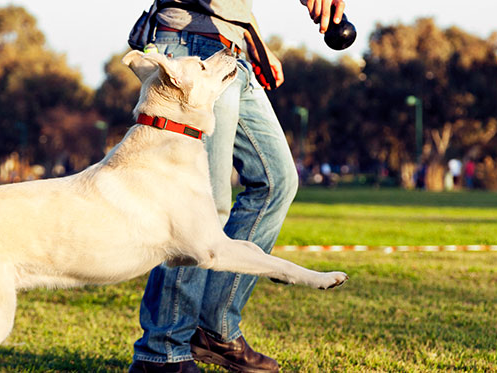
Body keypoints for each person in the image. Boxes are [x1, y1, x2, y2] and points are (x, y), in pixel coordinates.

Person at [126, 1, 347, 372]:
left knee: (276, 181)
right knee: (199, 211)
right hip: (188, 52)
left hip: (230, 55)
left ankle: (214, 327)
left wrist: (252, 36)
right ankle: (161, 351)